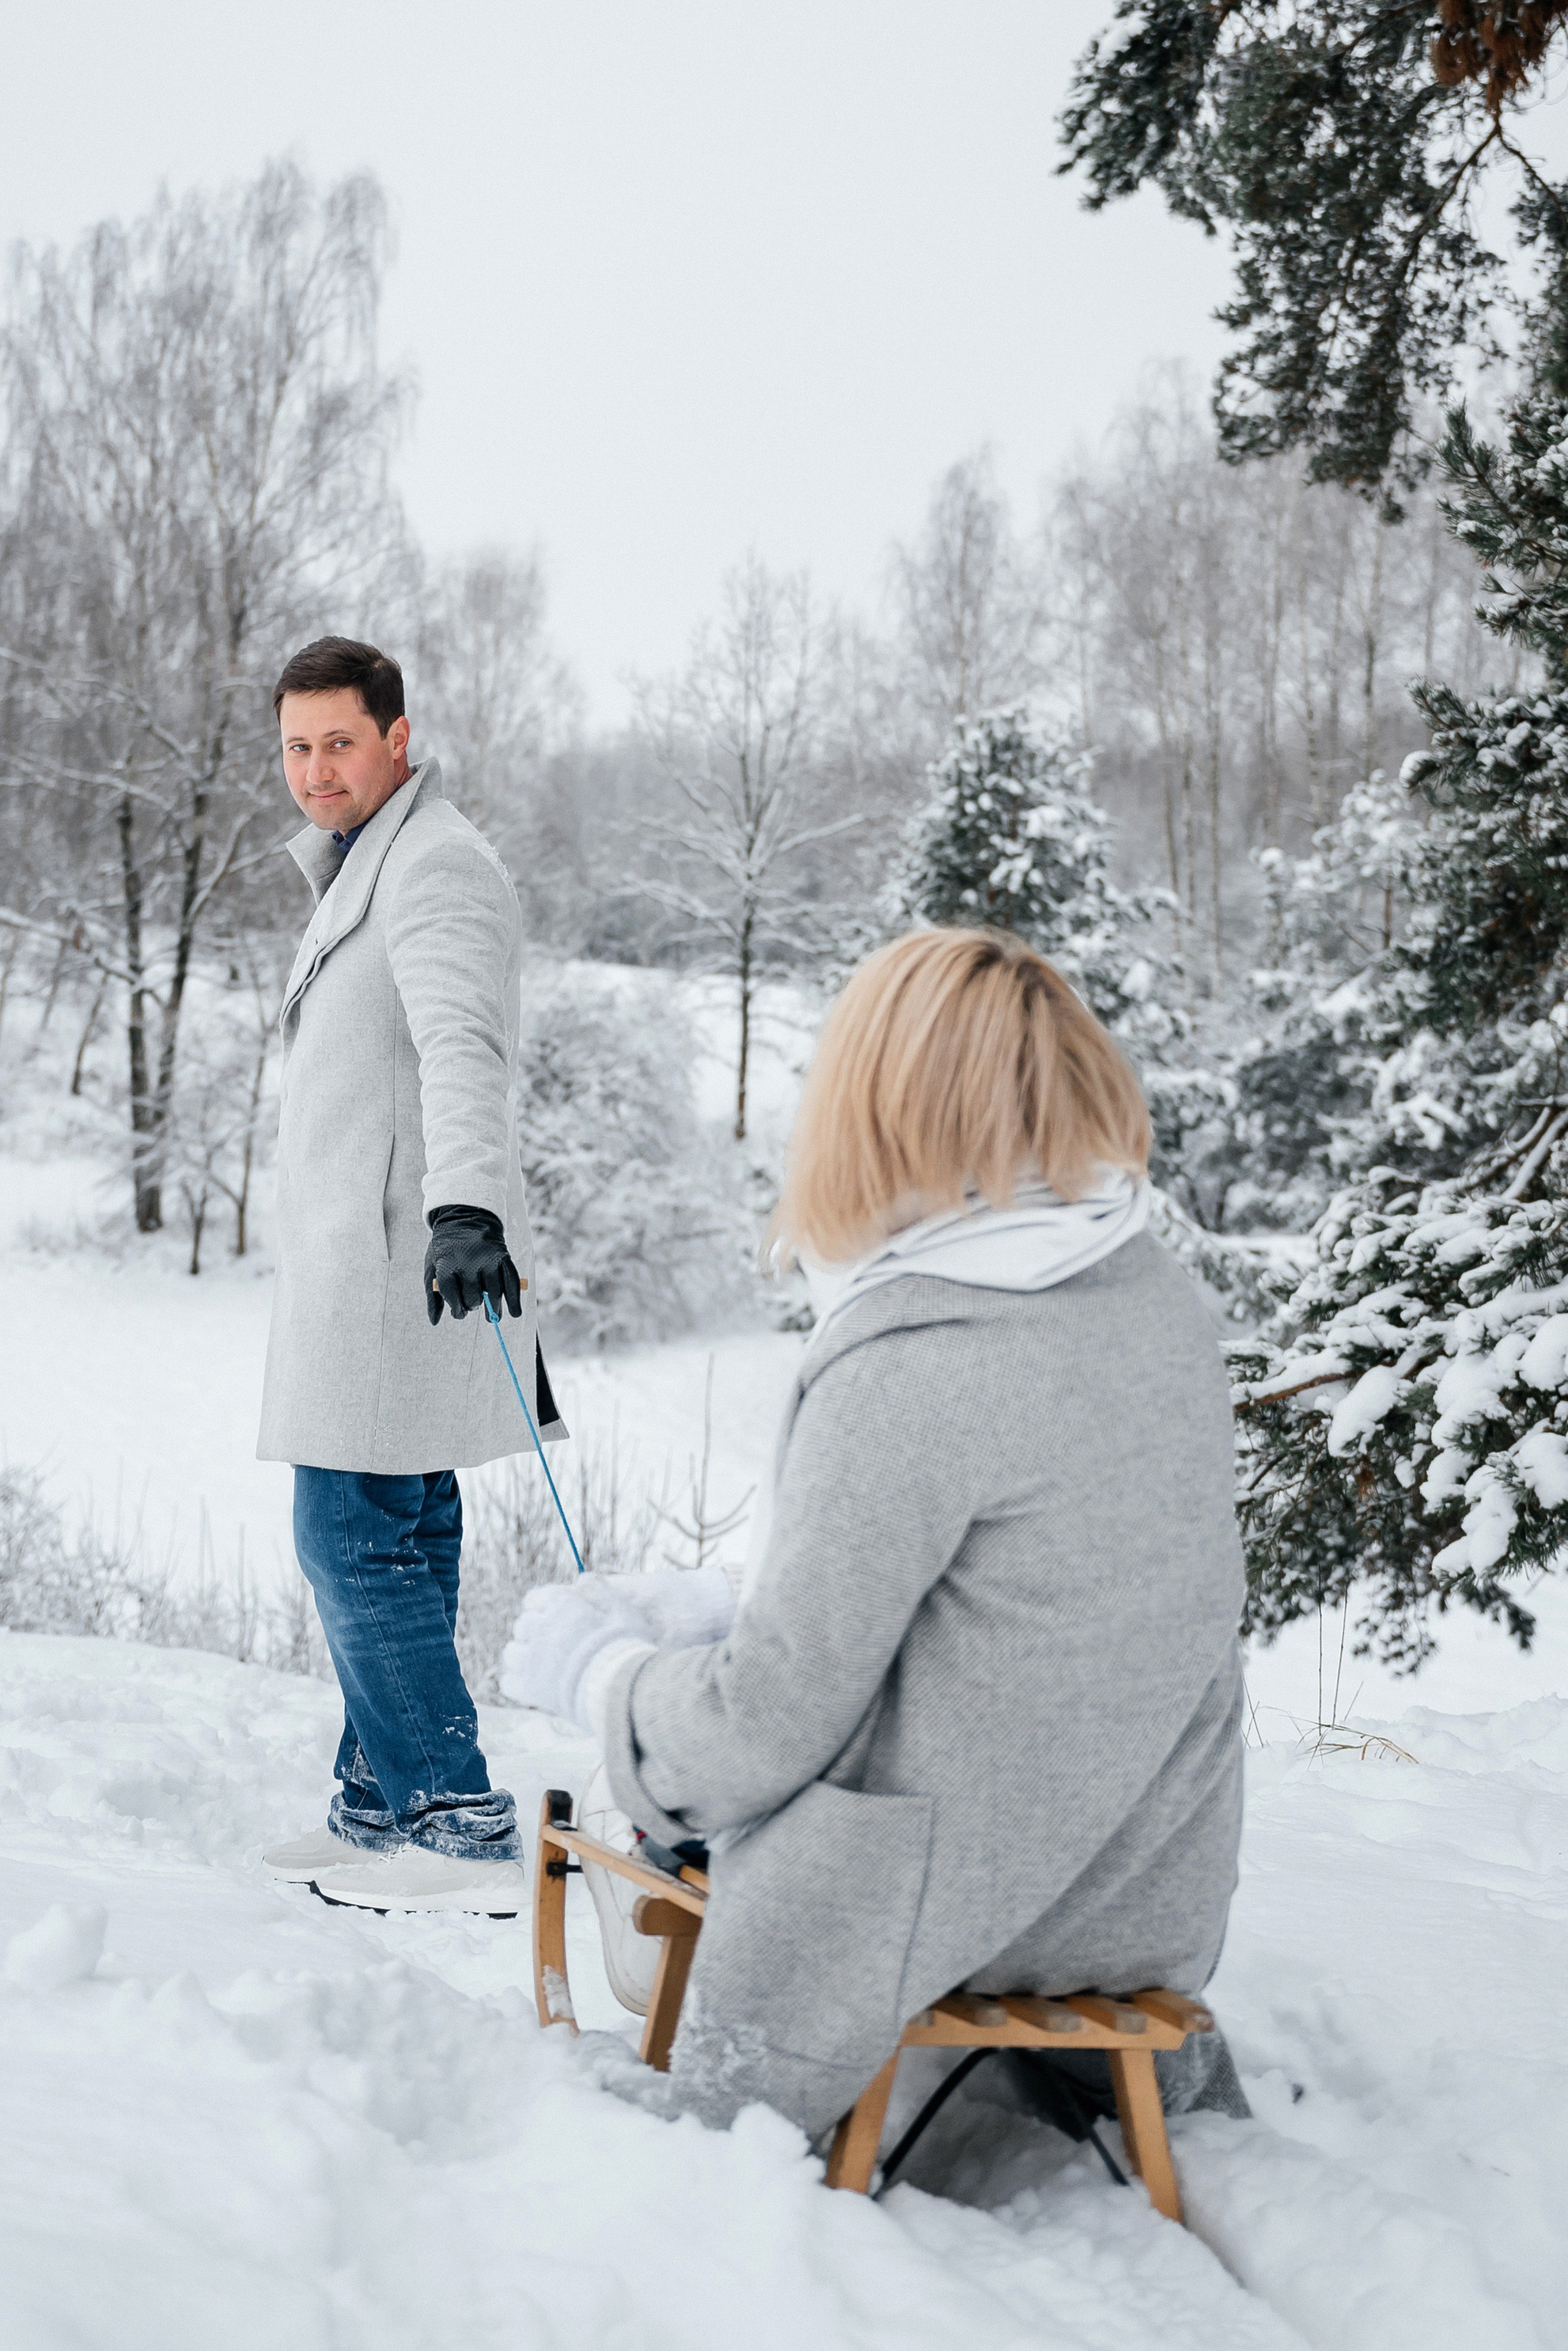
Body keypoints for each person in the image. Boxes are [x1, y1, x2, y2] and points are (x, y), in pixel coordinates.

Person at [502, 926, 1248, 2146]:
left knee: (636, 1777)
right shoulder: (1153, 1296)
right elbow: (1015, 1607)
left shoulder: (918, 1355)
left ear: (877, 1103)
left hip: (968, 1909)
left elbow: (765, 1725)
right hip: (1148, 1893)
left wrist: (603, 1675)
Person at [256, 634, 562, 1917]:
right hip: (371, 1255)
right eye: (296, 746)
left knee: (346, 1527)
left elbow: (462, 1047)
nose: (317, 770)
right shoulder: (370, 862)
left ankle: (448, 1812)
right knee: (404, 1524)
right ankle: (380, 1801)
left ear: (398, 736)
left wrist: (467, 1207)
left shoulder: (433, 867)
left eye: (339, 742)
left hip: (406, 1254)